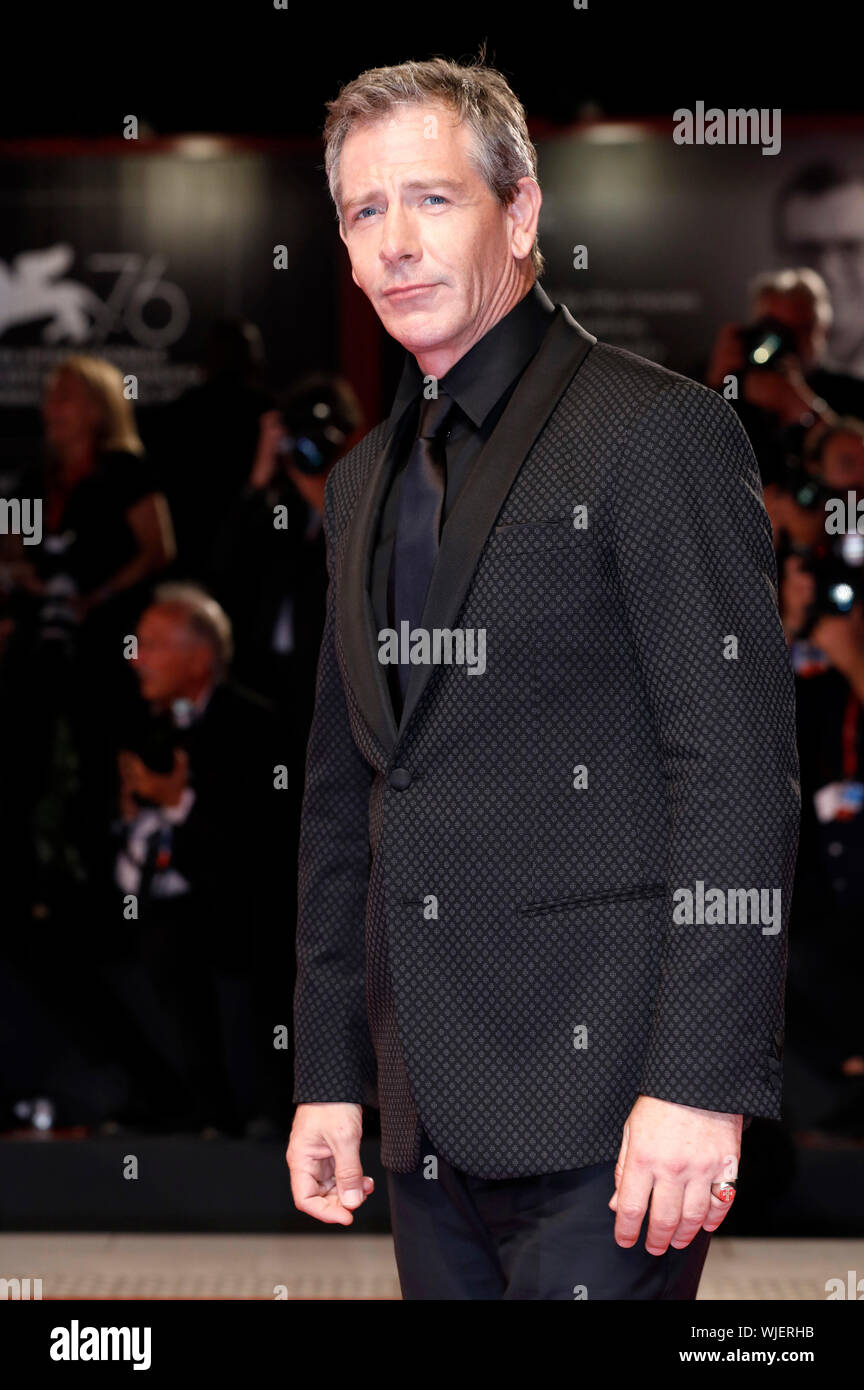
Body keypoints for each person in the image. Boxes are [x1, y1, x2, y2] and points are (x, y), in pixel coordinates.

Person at [285, 55, 800, 1300]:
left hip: (613, 1107)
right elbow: (347, 803)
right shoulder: (360, 483)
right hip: (423, 1114)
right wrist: (332, 1072)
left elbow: (735, 768)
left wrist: (700, 1081)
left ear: (520, 213)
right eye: (364, 212)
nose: (396, 243)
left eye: (433, 200)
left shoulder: (654, 432)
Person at [107, 584, 291, 1134]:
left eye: (153, 644)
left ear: (200, 656)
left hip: (244, 904)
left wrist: (178, 804)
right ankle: (166, 1097)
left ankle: (241, 1107)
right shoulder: (145, 726)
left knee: (180, 937)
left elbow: (264, 844)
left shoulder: (254, 726)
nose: (135, 657)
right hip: (150, 895)